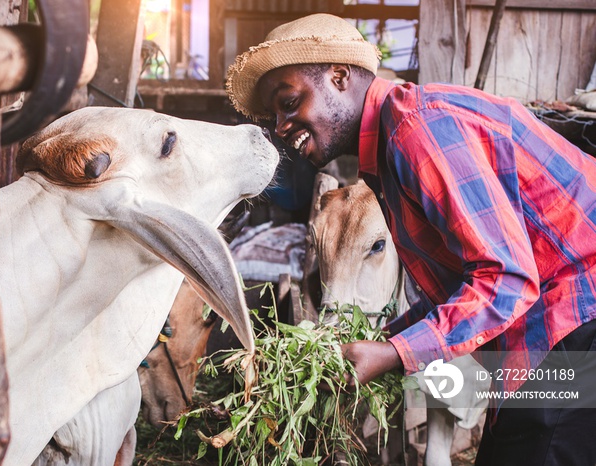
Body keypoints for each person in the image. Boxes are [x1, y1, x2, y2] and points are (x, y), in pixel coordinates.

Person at [225, 13, 596, 466]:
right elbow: (468, 279)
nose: (281, 125)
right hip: (559, 322)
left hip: (581, 313)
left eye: (289, 102)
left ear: (339, 77)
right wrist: (384, 338)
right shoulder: (387, 155)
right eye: (275, 115)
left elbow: (507, 279)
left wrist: (395, 353)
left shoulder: (417, 129)